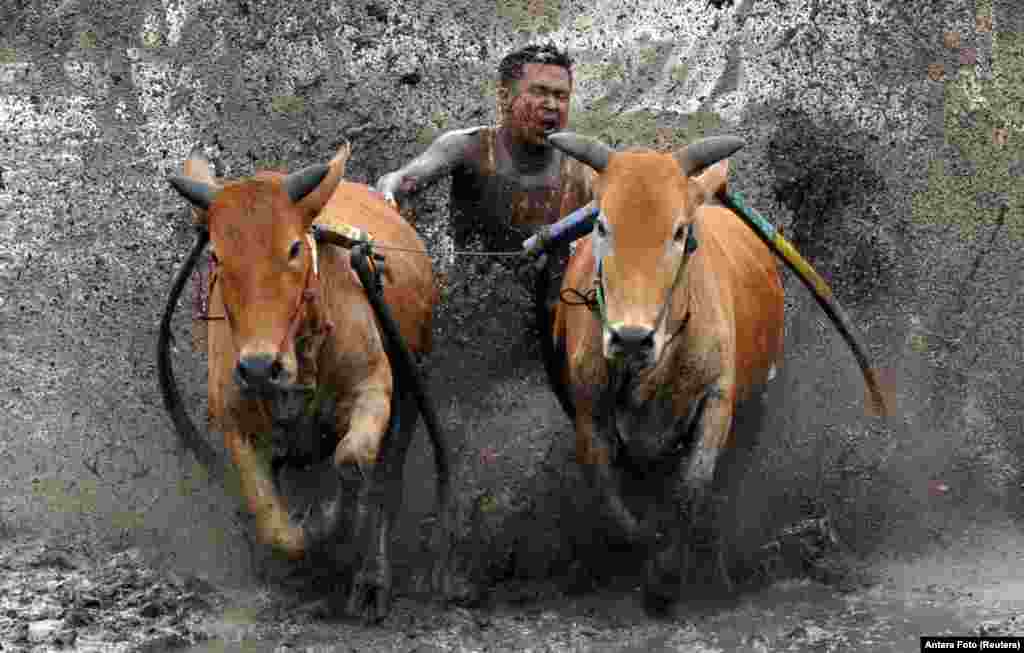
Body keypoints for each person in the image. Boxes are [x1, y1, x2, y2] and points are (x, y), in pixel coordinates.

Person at [375, 44, 595, 411]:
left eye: (561, 96)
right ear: (506, 97)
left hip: (557, 320)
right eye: (539, 92)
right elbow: (404, 179)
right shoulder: (469, 147)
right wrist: (389, 193)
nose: (552, 105)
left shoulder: (582, 166)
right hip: (473, 316)